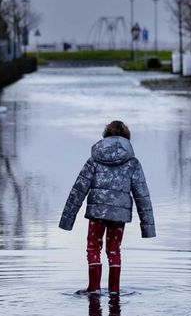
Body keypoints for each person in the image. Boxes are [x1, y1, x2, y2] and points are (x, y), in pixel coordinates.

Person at [59, 120, 156, 294]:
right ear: (127, 138)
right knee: (114, 249)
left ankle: (94, 288)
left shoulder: (94, 161)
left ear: (105, 137)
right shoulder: (133, 163)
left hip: (97, 213)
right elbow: (142, 195)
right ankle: (114, 290)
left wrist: (67, 220)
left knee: (94, 247)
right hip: (119, 216)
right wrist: (148, 228)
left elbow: (78, 190)